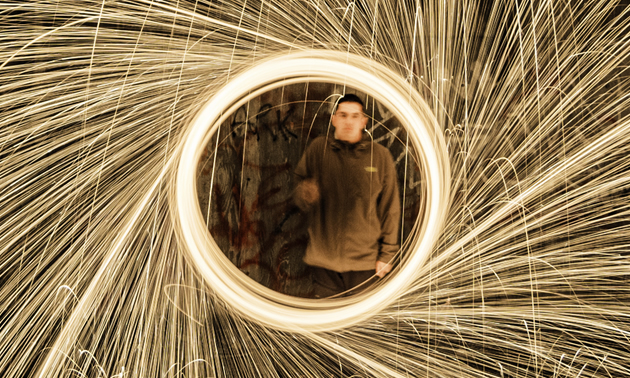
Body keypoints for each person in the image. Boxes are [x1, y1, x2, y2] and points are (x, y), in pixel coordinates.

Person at [294, 93, 401, 298]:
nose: (348, 122)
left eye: (354, 116)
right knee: (326, 326)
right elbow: (299, 195)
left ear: (364, 121)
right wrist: (305, 193)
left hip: (365, 265)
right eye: (343, 115)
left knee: (360, 327)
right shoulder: (319, 150)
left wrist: (387, 254)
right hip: (323, 264)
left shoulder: (379, 157)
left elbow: (390, 208)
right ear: (334, 119)